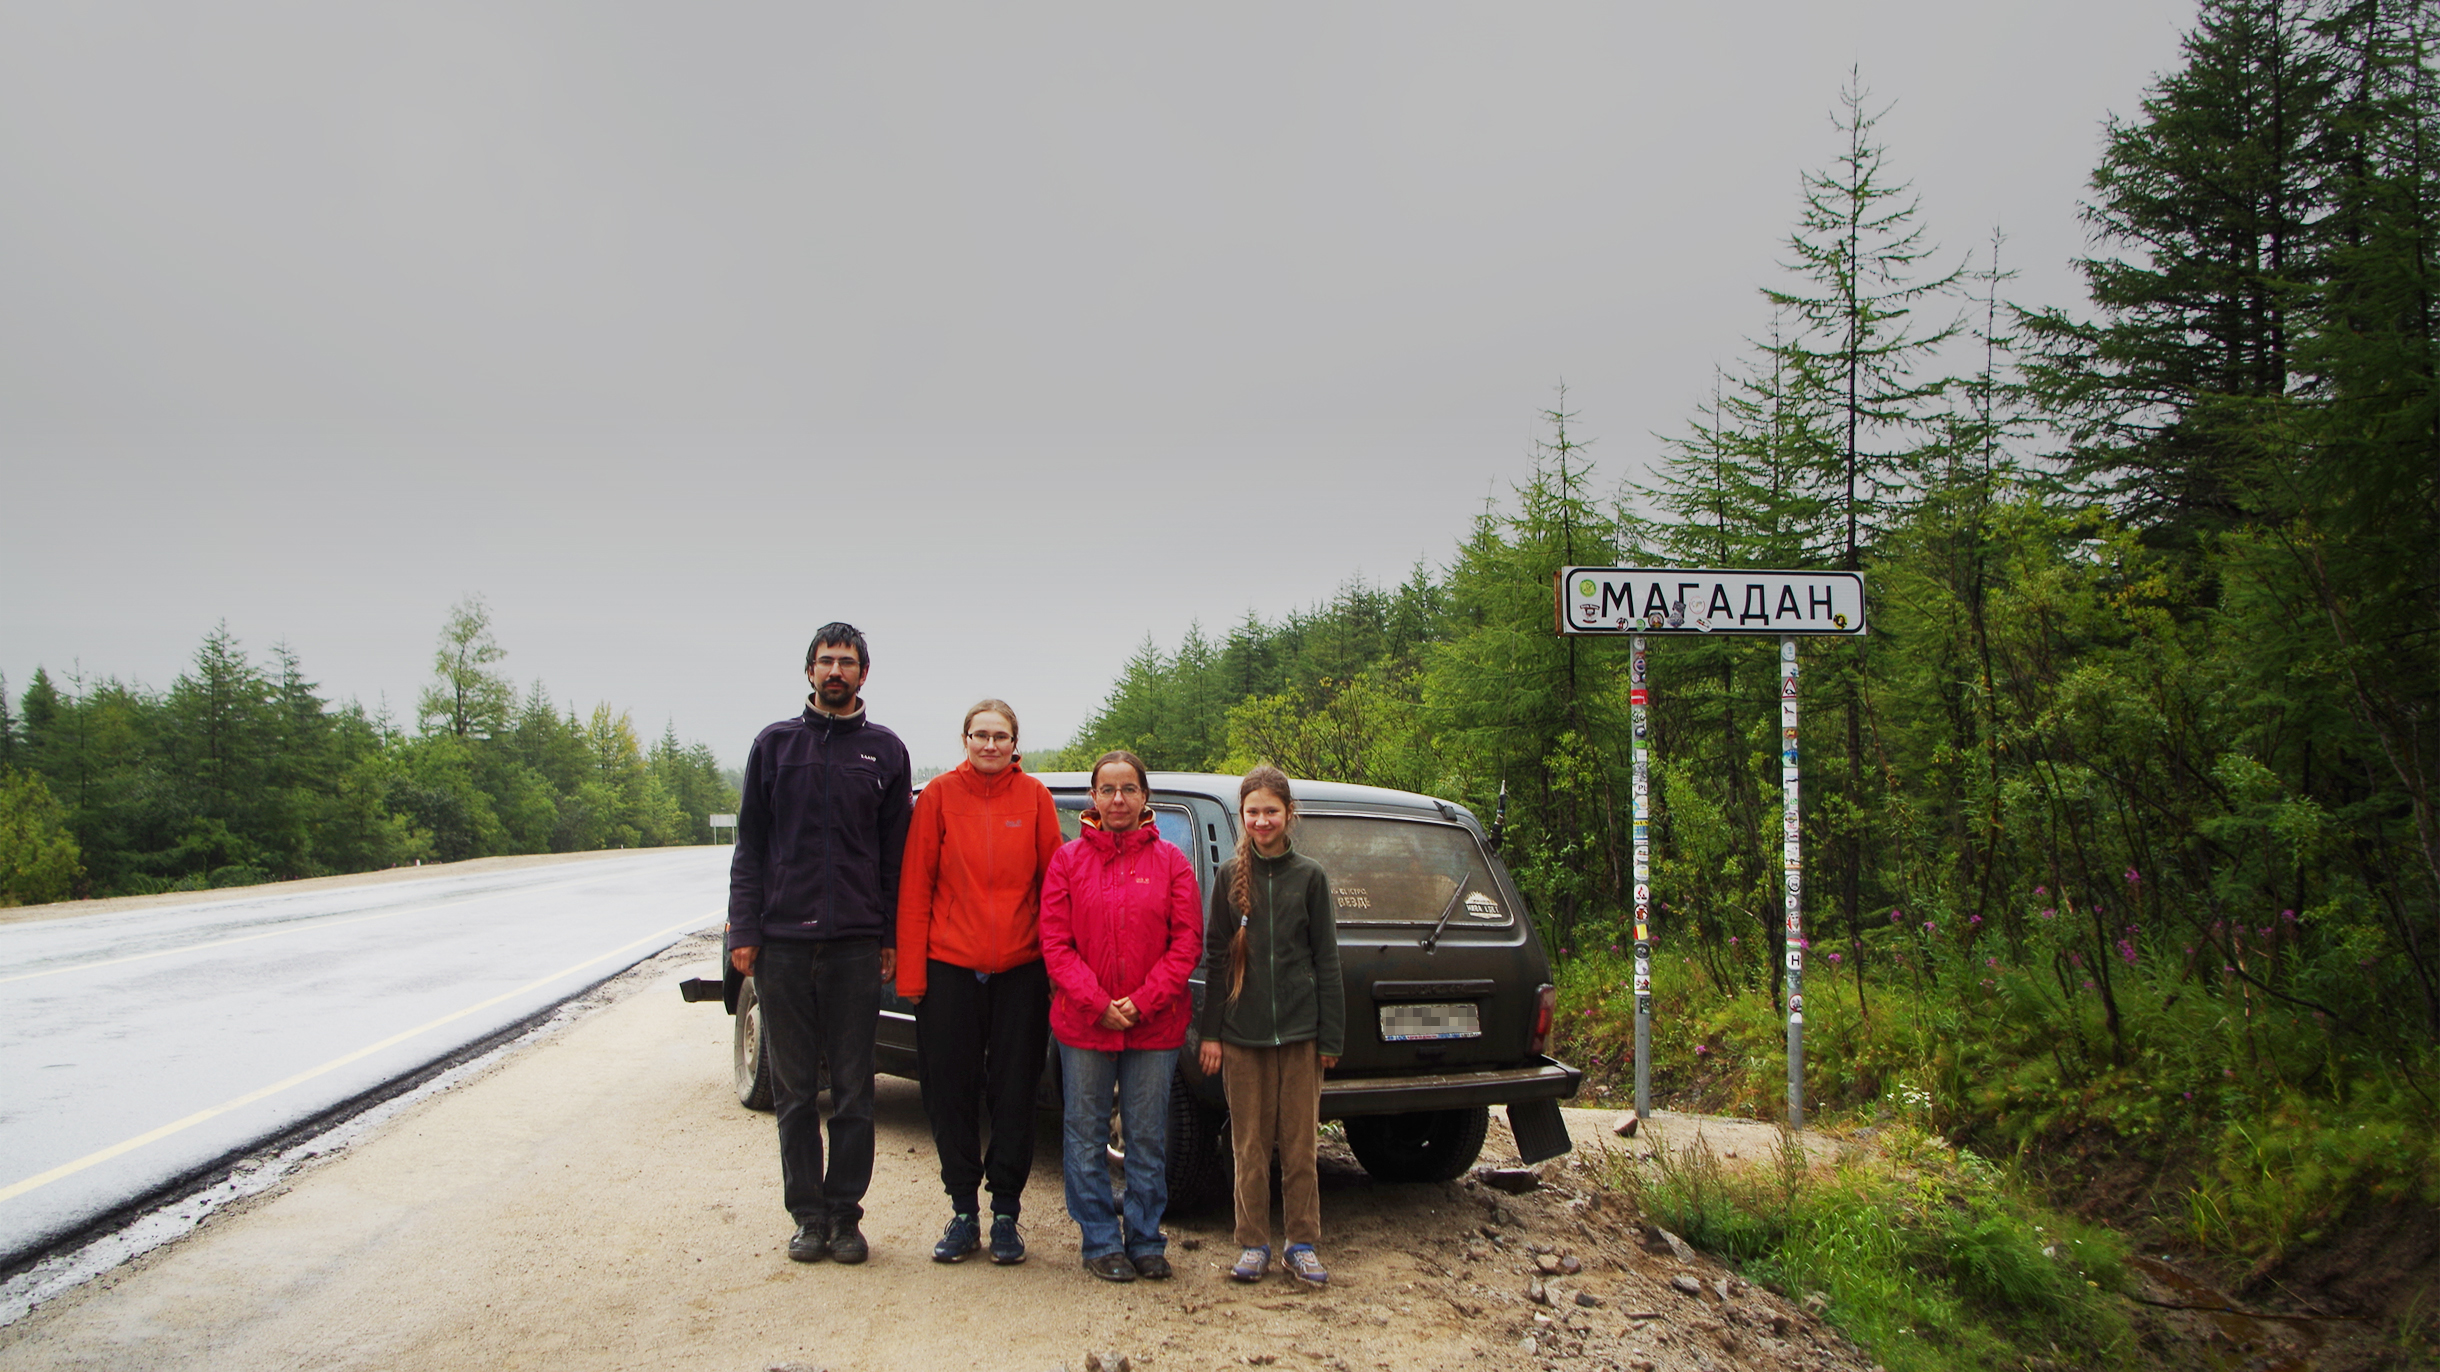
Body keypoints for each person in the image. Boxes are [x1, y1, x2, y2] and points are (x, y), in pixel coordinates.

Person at [727, 623, 912, 1266]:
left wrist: (890, 936)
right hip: (781, 946)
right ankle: (806, 1215)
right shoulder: (775, 747)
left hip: (857, 946)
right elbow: (750, 845)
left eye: (848, 661)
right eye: (826, 660)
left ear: (865, 674)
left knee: (857, 1090)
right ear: (808, 671)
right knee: (796, 1090)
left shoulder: (885, 752)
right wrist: (745, 932)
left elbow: (897, 859)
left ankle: (846, 1216)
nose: (837, 670)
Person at [896, 699, 1062, 1266]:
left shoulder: (1034, 798)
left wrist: (1053, 969)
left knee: (1014, 1091)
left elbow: (1052, 888)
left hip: (1020, 967)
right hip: (948, 968)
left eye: (1000, 736)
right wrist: (913, 976)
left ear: (1016, 743)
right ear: (964, 739)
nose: (990, 745)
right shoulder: (938, 796)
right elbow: (915, 887)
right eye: (980, 735)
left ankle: (1008, 1213)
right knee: (950, 1091)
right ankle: (964, 1210)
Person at [1038, 750, 1202, 1282]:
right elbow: (1055, 944)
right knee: (1085, 1134)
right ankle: (1101, 1241)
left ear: (1144, 797)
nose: (1117, 800)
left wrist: (1143, 1001)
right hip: (1084, 1025)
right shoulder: (1067, 861)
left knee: (1148, 1135)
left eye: (1128, 789)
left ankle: (1146, 1239)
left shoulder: (1173, 862)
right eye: (1106, 790)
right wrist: (1098, 1004)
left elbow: (1187, 943)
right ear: (1093, 798)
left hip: (1155, 1025)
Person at [1195, 764, 1344, 1288]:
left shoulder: (1311, 877)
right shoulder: (1226, 879)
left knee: (1301, 1145)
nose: (1262, 821)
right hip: (1241, 1036)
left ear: (1289, 814)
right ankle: (1253, 1243)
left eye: (1271, 812)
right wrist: (1210, 1033)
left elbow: (1327, 959)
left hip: (1301, 1036)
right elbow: (1215, 959)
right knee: (1249, 1146)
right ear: (1242, 816)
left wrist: (1331, 1037)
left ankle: (1301, 1244)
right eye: (1252, 812)